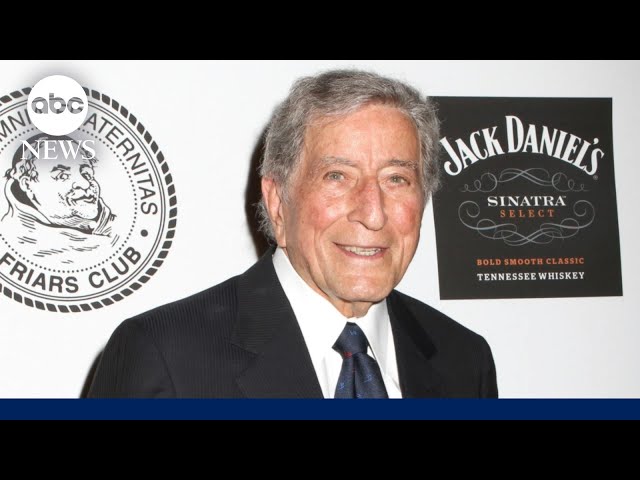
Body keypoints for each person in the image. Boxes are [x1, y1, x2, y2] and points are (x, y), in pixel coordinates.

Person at [88, 69, 498, 398]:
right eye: (337, 176)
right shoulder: (163, 355)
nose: (373, 214)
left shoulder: (465, 360)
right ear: (278, 203)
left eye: (396, 179)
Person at [2, 134, 116, 264]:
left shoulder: (119, 231)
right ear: (27, 185)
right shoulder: (10, 242)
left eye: (87, 174)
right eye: (63, 176)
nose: (85, 184)